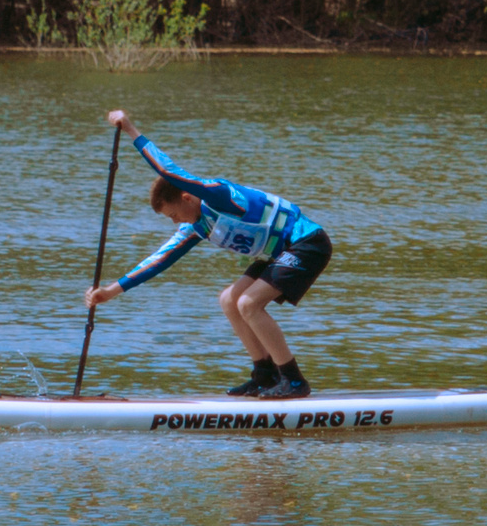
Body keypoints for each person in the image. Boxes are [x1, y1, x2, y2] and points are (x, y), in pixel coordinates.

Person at [82, 108, 332, 400]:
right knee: (229, 300)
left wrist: (130, 130)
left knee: (249, 304)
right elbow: (158, 261)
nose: (176, 222)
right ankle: (264, 375)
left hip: (307, 243)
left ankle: (294, 380)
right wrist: (110, 292)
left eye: (174, 214)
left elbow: (169, 171)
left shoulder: (219, 196)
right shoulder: (197, 225)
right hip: (276, 252)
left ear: (187, 196)